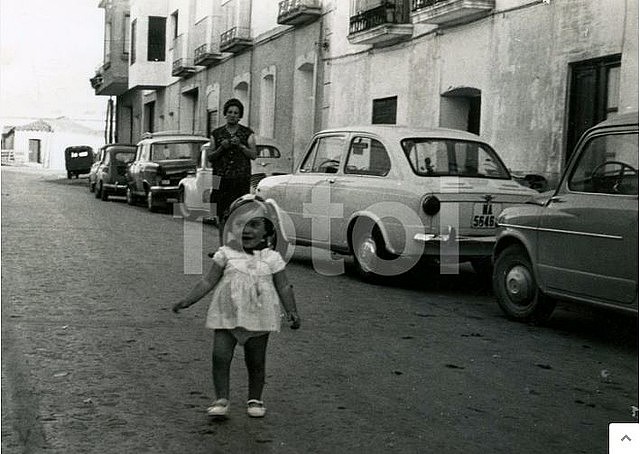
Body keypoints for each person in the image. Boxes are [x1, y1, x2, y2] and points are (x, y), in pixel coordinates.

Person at [172, 194, 301, 419]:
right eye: (240, 224)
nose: (247, 230)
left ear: (268, 230)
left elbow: (284, 287)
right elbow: (208, 281)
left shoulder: (271, 259)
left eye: (254, 224)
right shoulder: (226, 254)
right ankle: (221, 398)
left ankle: (255, 398)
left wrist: (292, 311)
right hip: (226, 315)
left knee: (256, 361)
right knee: (220, 357)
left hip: (259, 318)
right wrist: (188, 300)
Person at [207, 98, 257, 241]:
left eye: (236, 112)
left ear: (240, 115)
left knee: (239, 213)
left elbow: (253, 155)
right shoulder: (216, 134)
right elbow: (210, 157)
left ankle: (236, 246)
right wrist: (221, 148)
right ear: (225, 114)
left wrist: (241, 146)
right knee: (221, 213)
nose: (233, 115)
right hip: (219, 178)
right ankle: (222, 247)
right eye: (230, 112)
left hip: (240, 178)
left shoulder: (247, 133)